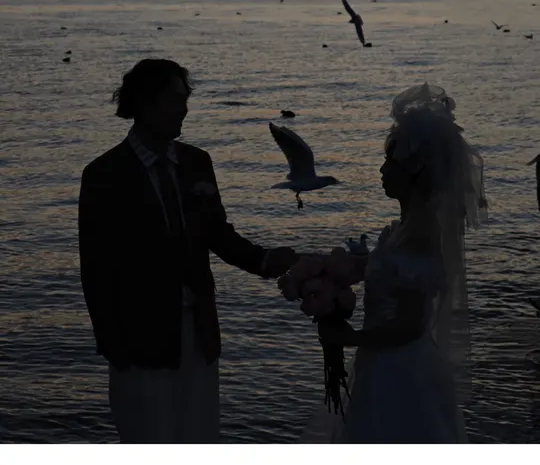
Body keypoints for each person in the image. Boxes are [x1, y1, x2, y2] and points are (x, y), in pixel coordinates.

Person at [78, 58, 296, 443]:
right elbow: (96, 269)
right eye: (177, 99)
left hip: (200, 331)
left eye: (186, 99)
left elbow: (217, 233)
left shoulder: (197, 162)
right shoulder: (104, 175)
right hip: (140, 339)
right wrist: (113, 345)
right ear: (146, 104)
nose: (185, 109)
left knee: (200, 439)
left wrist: (263, 260)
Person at [317, 83, 487, 443]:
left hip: (400, 373)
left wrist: (350, 337)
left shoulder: (421, 233)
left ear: (415, 169)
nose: (381, 170)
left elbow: (411, 325)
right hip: (383, 363)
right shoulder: (404, 227)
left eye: (390, 162)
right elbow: (389, 278)